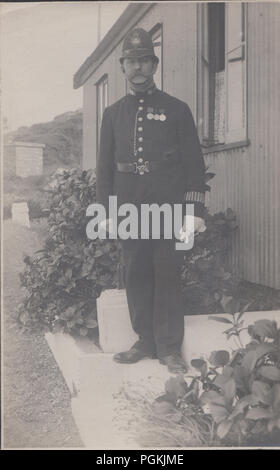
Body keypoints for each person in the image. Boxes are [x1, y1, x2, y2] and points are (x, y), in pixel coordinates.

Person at [96, 28, 207, 373]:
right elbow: (104, 169)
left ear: (154, 64)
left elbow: (193, 164)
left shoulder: (177, 109)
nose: (138, 68)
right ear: (123, 67)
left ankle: (169, 348)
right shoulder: (113, 114)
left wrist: (194, 211)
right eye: (131, 61)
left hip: (169, 207)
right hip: (130, 207)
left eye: (144, 60)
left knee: (167, 273)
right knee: (136, 273)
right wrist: (106, 211)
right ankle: (144, 340)